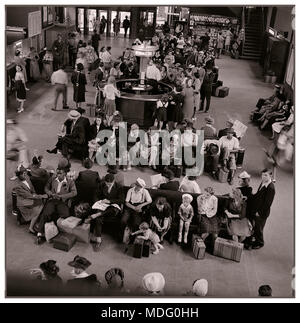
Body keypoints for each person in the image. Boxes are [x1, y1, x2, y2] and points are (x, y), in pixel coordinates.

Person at [35, 167, 77, 244]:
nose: (58, 175)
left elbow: (74, 192)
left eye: (60, 173)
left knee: (65, 214)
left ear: (65, 173)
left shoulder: (70, 181)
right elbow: (46, 188)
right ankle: (39, 234)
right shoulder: (52, 179)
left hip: (62, 201)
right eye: (57, 173)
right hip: (52, 200)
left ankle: (54, 229)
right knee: (45, 213)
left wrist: (62, 196)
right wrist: (51, 193)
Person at [86, 173, 124, 251]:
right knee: (98, 218)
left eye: (110, 184)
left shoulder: (119, 187)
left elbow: (121, 200)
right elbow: (95, 195)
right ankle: (98, 239)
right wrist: (98, 202)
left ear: (114, 181)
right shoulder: (101, 184)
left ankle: (98, 214)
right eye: (107, 184)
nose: (108, 186)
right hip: (103, 205)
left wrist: (109, 201)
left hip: (113, 205)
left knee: (112, 210)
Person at [12, 164, 46, 232]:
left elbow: (32, 188)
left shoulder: (27, 177)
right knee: (40, 205)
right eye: (22, 174)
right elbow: (28, 196)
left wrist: (34, 193)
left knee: (41, 204)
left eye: (25, 173)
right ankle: (32, 225)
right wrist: (41, 196)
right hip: (23, 202)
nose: (24, 175)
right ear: (18, 176)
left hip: (30, 198)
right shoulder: (18, 185)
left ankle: (33, 223)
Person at [250, 169, 275, 250]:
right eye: (262, 175)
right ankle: (254, 237)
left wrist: (259, 212)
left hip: (262, 213)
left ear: (270, 176)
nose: (263, 177)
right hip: (257, 208)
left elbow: (267, 204)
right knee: (256, 225)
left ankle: (260, 242)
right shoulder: (263, 182)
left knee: (259, 227)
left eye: (266, 175)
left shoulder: (271, 188)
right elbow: (258, 194)